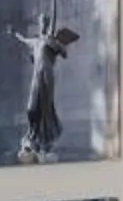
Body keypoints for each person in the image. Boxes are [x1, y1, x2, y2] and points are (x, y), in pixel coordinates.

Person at [11, 11, 81, 163]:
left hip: (47, 78)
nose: (43, 23)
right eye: (41, 21)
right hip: (36, 78)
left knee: (45, 108)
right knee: (31, 109)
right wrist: (14, 33)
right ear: (39, 23)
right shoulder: (36, 41)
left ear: (48, 23)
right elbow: (23, 39)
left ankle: (42, 141)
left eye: (45, 21)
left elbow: (64, 53)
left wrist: (56, 45)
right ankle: (32, 135)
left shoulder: (51, 40)